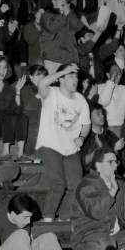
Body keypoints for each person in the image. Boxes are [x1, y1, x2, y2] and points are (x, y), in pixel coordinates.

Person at [35, 64, 90, 219]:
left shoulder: (81, 99)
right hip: (50, 145)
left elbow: (86, 124)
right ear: (61, 79)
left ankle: (64, 217)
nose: (75, 79)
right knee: (58, 184)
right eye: (71, 76)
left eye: (76, 76)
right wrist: (62, 71)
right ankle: (47, 218)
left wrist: (82, 137)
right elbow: (41, 83)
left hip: (70, 148)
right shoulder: (51, 93)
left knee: (77, 185)